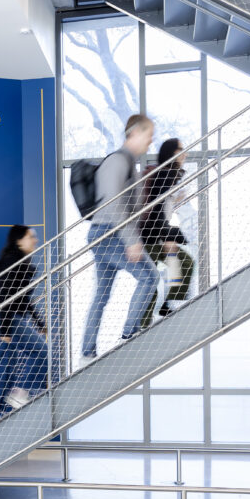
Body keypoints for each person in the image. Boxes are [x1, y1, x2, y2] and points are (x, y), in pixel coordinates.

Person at [81, 114, 159, 362]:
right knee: (150, 276)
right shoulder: (117, 160)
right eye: (149, 135)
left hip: (107, 234)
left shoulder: (128, 163)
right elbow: (113, 205)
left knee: (102, 294)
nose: (151, 141)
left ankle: (87, 350)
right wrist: (131, 240)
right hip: (109, 234)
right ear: (134, 133)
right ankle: (129, 335)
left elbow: (129, 207)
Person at [0, 225, 47, 429]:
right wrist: (5, 330)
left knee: (6, 367)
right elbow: (4, 297)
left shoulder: (19, 262)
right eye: (31, 237)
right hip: (8, 320)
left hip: (6, 319)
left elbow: (23, 299)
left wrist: (38, 322)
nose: (35, 240)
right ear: (18, 240)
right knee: (42, 351)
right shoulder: (14, 262)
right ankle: (21, 392)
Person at [139, 138, 195, 329]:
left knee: (183, 263)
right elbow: (155, 212)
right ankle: (144, 324)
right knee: (151, 279)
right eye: (181, 149)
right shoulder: (165, 175)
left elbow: (161, 208)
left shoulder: (168, 175)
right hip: (149, 236)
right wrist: (169, 237)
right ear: (171, 153)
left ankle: (167, 306)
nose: (184, 153)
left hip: (154, 233)